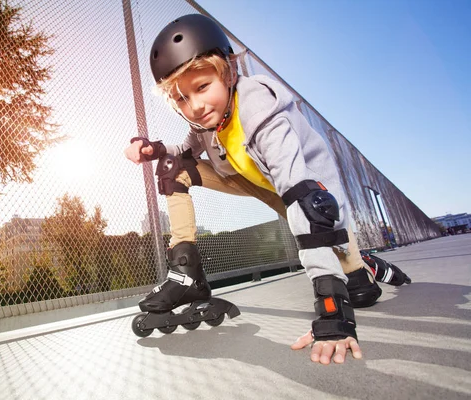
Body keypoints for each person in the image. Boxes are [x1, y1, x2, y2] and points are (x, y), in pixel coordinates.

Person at [124, 14, 409, 364]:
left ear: (227, 73)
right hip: (252, 180)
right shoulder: (205, 123)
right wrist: (154, 149)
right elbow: (184, 152)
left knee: (359, 290)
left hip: (309, 192)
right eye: (182, 99)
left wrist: (332, 308)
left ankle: (360, 264)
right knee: (173, 169)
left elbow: (304, 197)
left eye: (202, 88)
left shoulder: (260, 111)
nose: (195, 107)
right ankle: (187, 275)